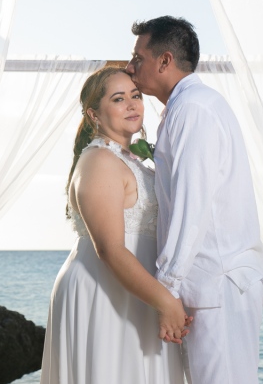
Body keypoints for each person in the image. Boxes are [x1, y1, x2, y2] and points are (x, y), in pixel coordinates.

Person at [125, 16, 263, 384]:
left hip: (216, 283)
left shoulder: (193, 110)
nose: (130, 67)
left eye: (138, 57)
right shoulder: (190, 107)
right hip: (213, 283)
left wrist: (165, 292)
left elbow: (192, 206)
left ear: (165, 60)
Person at [40, 66, 187, 384]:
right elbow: (109, 248)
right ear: (94, 114)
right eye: (119, 99)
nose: (133, 104)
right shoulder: (99, 161)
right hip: (105, 290)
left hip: (135, 290)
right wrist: (166, 301)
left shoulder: (128, 159)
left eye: (135, 96)